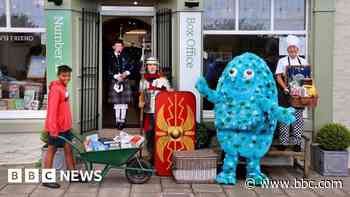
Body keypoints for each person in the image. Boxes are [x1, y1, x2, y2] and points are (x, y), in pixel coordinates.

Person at [44, 65, 77, 188]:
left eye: (68, 75)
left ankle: (72, 175)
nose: (67, 78)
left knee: (68, 149)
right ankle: (47, 179)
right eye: (64, 75)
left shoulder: (63, 87)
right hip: (56, 128)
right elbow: (52, 112)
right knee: (51, 151)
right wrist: (53, 129)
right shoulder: (55, 90)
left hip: (65, 127)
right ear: (58, 75)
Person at [275, 35, 308, 152]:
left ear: (298, 50)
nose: (292, 51)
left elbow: (306, 77)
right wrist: (284, 87)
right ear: (287, 50)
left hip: (298, 93)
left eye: (294, 49)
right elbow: (278, 76)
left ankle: (297, 143)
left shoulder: (303, 61)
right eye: (290, 49)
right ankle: (283, 143)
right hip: (285, 93)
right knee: (284, 118)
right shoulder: (282, 61)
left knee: (297, 118)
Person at [138, 57, 172, 164]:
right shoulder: (143, 81)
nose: (151, 67)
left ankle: (161, 159)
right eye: (149, 65)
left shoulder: (163, 80)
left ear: (157, 67)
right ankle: (151, 158)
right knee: (149, 136)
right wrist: (140, 102)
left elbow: (169, 96)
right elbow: (141, 95)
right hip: (148, 113)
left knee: (161, 136)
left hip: (160, 113)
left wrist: (170, 90)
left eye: (153, 65)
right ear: (147, 67)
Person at [107, 39, 133, 130]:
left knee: (124, 103)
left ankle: (122, 120)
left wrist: (126, 73)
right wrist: (115, 76)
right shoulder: (109, 57)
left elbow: (131, 66)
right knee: (117, 103)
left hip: (125, 80)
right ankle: (117, 121)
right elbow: (108, 69)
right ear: (113, 47)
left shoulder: (126, 56)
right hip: (115, 80)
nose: (119, 48)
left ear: (123, 47)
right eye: (117, 46)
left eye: (120, 46)